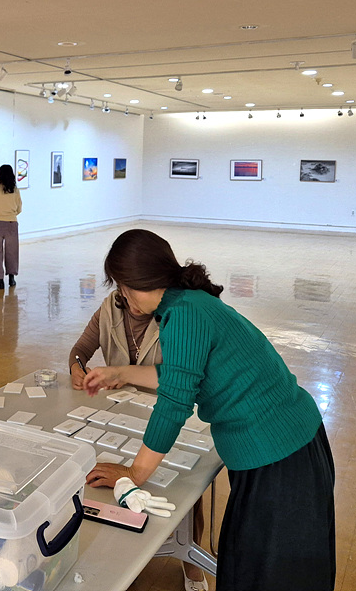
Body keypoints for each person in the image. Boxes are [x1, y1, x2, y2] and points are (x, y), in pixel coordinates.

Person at [83, 229, 335, 591]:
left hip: (279, 456)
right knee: (253, 565)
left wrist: (134, 473)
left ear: (137, 282)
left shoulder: (183, 314)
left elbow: (175, 403)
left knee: (270, 575)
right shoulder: (188, 303)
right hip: (288, 443)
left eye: (122, 287)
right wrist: (120, 373)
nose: (121, 296)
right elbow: (183, 375)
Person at [67, 289, 208, 591]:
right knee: (115, 484)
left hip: (170, 410)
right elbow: (81, 348)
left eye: (134, 289)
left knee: (184, 486)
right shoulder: (110, 307)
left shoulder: (177, 315)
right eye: (123, 291)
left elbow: (178, 384)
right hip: (121, 411)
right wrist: (76, 367)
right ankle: (125, 555)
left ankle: (192, 562)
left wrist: (136, 472)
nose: (130, 301)